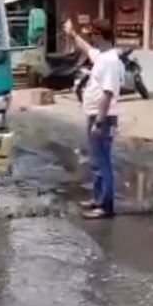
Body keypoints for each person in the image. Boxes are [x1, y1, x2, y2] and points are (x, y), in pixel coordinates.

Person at [64, 18, 123, 220]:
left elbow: (108, 94)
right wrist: (72, 34)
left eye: (93, 35)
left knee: (103, 161)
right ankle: (98, 198)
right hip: (96, 116)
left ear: (100, 35)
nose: (92, 39)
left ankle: (106, 206)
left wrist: (99, 121)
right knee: (97, 160)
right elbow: (87, 48)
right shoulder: (103, 56)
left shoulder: (110, 61)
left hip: (104, 118)